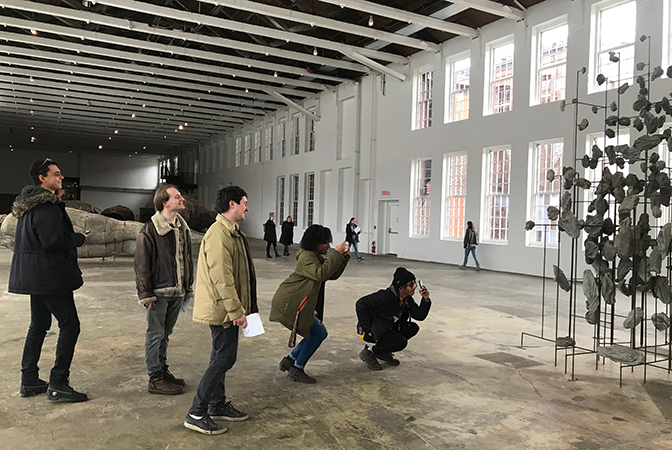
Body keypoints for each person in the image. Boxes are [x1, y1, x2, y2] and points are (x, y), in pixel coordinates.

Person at [8, 158, 88, 402]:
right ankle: (58, 383)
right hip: (50, 276)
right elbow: (52, 241)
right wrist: (78, 238)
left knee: (39, 324)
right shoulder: (46, 207)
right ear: (43, 178)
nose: (61, 177)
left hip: (36, 276)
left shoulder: (28, 206)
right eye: (56, 174)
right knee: (70, 326)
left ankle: (29, 380)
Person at [184, 186, 258, 435]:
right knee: (224, 358)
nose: (247, 207)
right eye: (244, 202)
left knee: (221, 355)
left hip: (227, 307)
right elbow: (222, 278)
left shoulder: (233, 233)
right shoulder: (219, 235)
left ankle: (216, 404)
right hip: (222, 309)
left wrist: (247, 308)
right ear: (232, 204)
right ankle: (196, 412)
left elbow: (242, 275)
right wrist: (235, 310)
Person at [269, 225, 349, 383]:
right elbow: (321, 274)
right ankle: (297, 368)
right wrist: (336, 254)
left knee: (315, 333)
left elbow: (330, 274)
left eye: (329, 242)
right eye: (325, 242)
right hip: (291, 303)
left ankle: (290, 360)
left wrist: (342, 258)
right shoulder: (307, 257)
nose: (328, 246)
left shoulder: (314, 256)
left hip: (300, 303)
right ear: (314, 242)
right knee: (319, 333)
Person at [134, 185, 193, 395]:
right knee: (155, 334)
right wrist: (146, 294)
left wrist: (187, 286)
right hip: (159, 292)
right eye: (177, 196)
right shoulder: (150, 230)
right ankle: (155, 378)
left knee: (165, 334)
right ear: (164, 202)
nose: (182, 198)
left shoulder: (182, 228)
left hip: (178, 291)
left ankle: (162, 369)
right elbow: (141, 264)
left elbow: (186, 259)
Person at [356, 267, 431, 370]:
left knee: (412, 328)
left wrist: (425, 300)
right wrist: (367, 328)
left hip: (386, 327)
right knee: (400, 342)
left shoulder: (407, 299)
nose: (414, 287)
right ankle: (369, 352)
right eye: (410, 285)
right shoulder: (385, 296)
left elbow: (419, 315)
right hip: (370, 330)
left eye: (414, 284)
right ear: (400, 287)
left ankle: (383, 352)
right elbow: (361, 304)